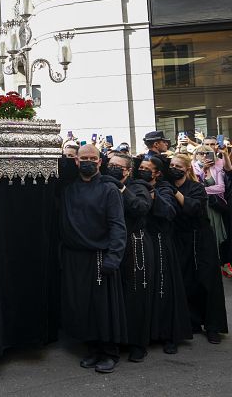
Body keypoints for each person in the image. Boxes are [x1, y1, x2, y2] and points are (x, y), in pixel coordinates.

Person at [60, 144, 127, 374]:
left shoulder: (109, 190)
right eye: (83, 158)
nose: (88, 161)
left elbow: (118, 226)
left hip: (101, 256)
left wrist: (113, 258)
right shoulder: (69, 189)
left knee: (103, 307)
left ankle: (109, 352)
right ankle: (92, 349)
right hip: (76, 258)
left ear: (100, 162)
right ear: (76, 161)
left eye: (92, 158)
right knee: (83, 306)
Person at [170, 153, 229, 344]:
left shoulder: (196, 188)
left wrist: (175, 192)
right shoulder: (166, 187)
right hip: (180, 239)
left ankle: (213, 326)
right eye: (171, 165)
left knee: (207, 280)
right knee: (186, 280)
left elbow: (193, 208)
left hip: (201, 238)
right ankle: (193, 321)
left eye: (178, 166)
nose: (174, 169)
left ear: (187, 169)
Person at [137, 157, 192, 354]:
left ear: (157, 173)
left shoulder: (165, 189)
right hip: (143, 242)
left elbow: (169, 211)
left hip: (161, 242)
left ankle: (168, 335)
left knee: (164, 290)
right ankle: (147, 334)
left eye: (147, 169)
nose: (143, 171)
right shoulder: (135, 186)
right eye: (141, 168)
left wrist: (153, 195)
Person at [106, 153, 154, 361]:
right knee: (115, 296)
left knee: (136, 296)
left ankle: (137, 344)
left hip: (136, 246)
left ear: (127, 171)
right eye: (110, 165)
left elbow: (141, 208)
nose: (113, 168)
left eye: (118, 166)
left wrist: (122, 188)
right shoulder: (105, 184)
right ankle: (117, 341)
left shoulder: (137, 187)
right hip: (113, 247)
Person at [192, 146, 227, 256]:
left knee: (215, 235)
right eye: (201, 153)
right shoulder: (193, 167)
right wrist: (203, 170)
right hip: (200, 207)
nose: (204, 156)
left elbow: (221, 188)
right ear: (196, 155)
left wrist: (202, 190)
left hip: (213, 207)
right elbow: (194, 185)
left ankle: (218, 264)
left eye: (207, 153)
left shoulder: (215, 168)